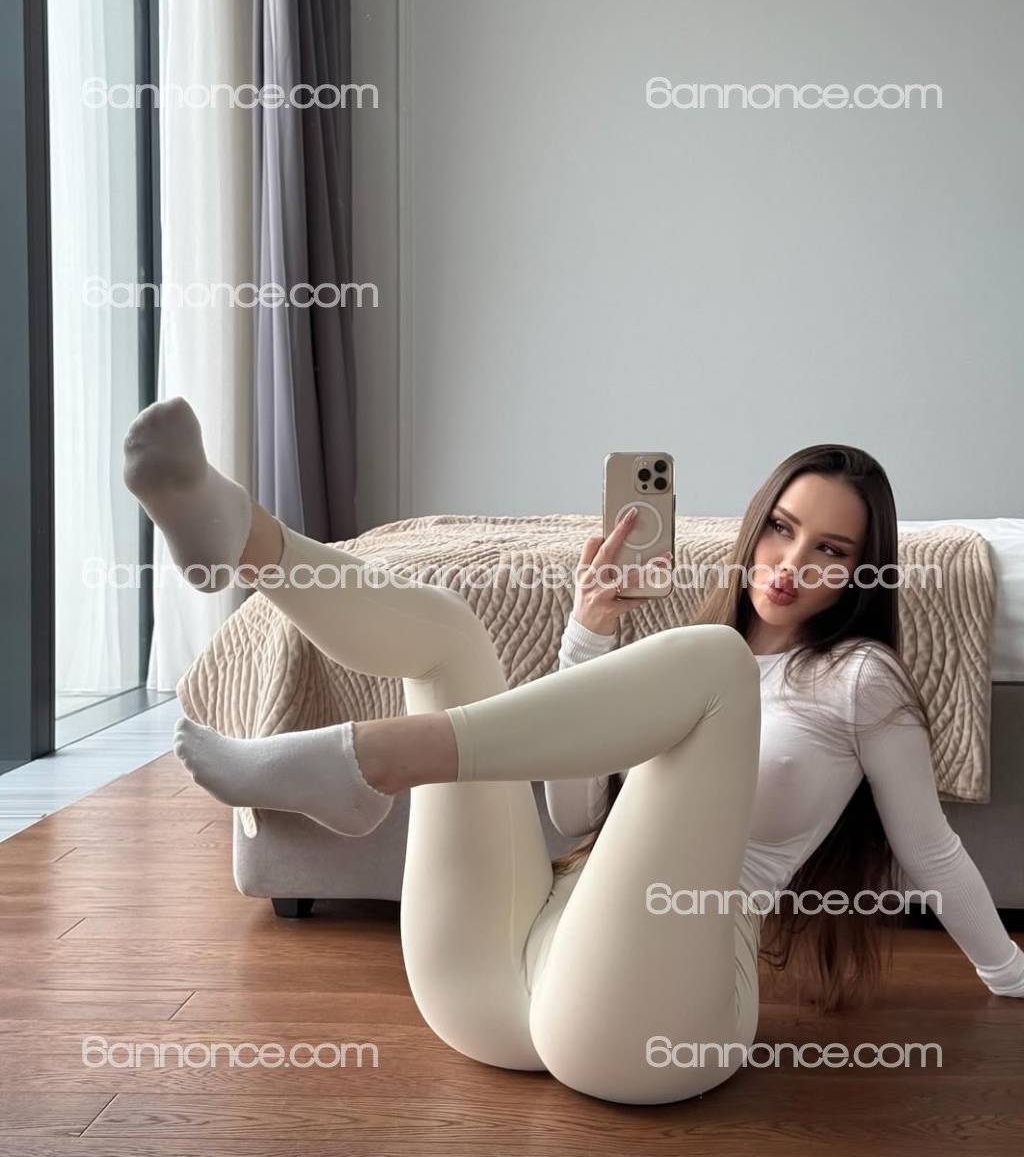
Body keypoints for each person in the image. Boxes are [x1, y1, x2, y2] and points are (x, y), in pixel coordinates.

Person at [122, 396, 1024, 1106]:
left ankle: (368, 762)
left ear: (862, 572)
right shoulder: (688, 657)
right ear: (755, 526)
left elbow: (931, 848)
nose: (791, 564)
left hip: (655, 1017)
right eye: (782, 528)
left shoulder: (859, 679)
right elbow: (575, 815)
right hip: (499, 985)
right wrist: (587, 634)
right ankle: (243, 535)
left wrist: (1009, 971)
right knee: (450, 632)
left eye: (830, 550)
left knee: (714, 663)